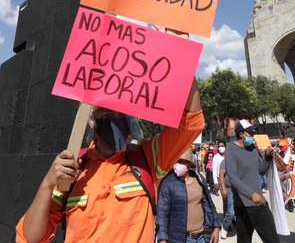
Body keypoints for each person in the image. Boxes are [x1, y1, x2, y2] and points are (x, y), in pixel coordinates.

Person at [16, 80, 204, 242]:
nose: (114, 118)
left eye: (120, 113)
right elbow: (32, 238)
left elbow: (190, 122)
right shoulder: (73, 169)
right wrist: (48, 183)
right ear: (92, 120)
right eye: (106, 112)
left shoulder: (148, 158)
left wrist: (179, 52)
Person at [224, 119, 279, 243]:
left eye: (254, 133)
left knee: (273, 239)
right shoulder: (230, 149)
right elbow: (233, 177)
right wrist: (251, 194)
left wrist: (268, 158)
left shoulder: (253, 149)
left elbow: (261, 170)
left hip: (260, 203)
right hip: (243, 206)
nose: (253, 136)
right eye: (250, 133)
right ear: (241, 134)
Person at [157, 148, 221, 243]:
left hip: (202, 237)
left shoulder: (198, 178)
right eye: (177, 161)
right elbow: (162, 212)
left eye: (182, 162)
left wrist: (216, 227)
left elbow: (209, 205)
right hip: (181, 239)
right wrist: (162, 238)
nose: (178, 164)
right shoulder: (168, 182)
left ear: (189, 164)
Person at [218, 160, 235, 239]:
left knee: (228, 208)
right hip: (228, 188)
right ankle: (225, 228)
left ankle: (229, 224)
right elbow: (221, 175)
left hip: (239, 189)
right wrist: (222, 189)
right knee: (230, 211)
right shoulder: (225, 161)